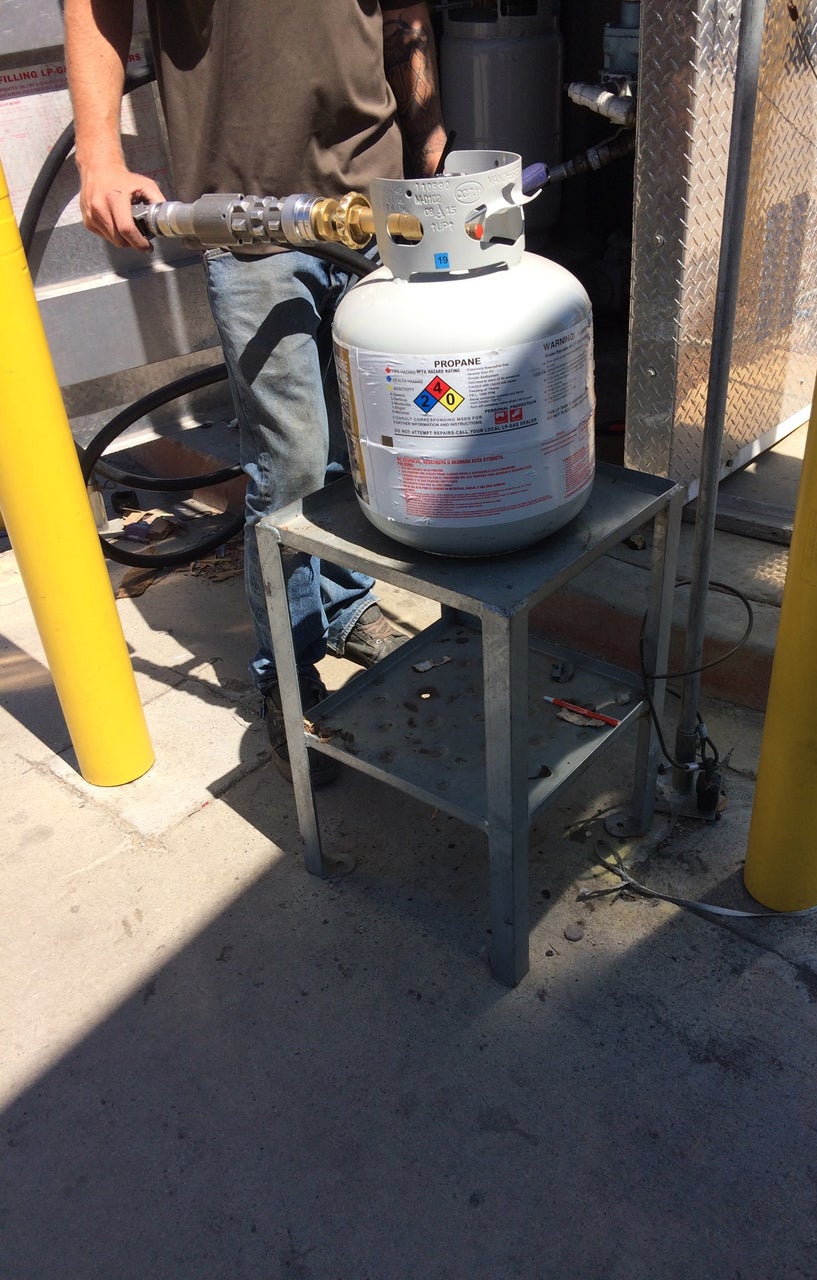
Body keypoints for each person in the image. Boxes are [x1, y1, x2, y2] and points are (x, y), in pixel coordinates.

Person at [64, 0, 447, 785]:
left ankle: (344, 605)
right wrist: (97, 154)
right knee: (295, 461)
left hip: (376, 200)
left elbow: (405, 13)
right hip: (250, 215)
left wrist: (429, 150)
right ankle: (287, 672)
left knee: (371, 445)